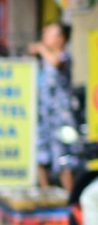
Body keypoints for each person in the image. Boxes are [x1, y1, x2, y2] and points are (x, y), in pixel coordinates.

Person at [32, 21, 77, 184]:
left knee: (65, 160)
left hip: (61, 118)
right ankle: (46, 197)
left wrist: (42, 49)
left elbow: (56, 62)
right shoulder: (42, 60)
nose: (44, 37)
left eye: (49, 34)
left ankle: (72, 202)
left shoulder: (64, 56)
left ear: (61, 39)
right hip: (44, 117)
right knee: (40, 156)